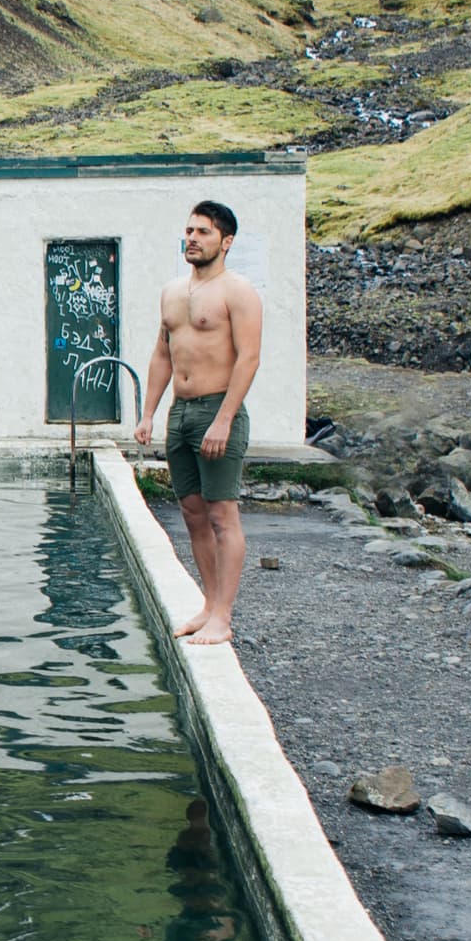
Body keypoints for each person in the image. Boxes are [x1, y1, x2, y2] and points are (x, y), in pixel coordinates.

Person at [140, 199, 263, 646]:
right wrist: (149, 413)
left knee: (221, 515)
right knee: (192, 513)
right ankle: (209, 606)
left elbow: (249, 358)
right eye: (190, 231)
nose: (192, 238)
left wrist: (225, 419)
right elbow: (161, 353)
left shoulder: (238, 292)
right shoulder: (172, 292)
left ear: (226, 242)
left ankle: (224, 617)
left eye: (204, 232)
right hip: (181, 413)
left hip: (217, 410)